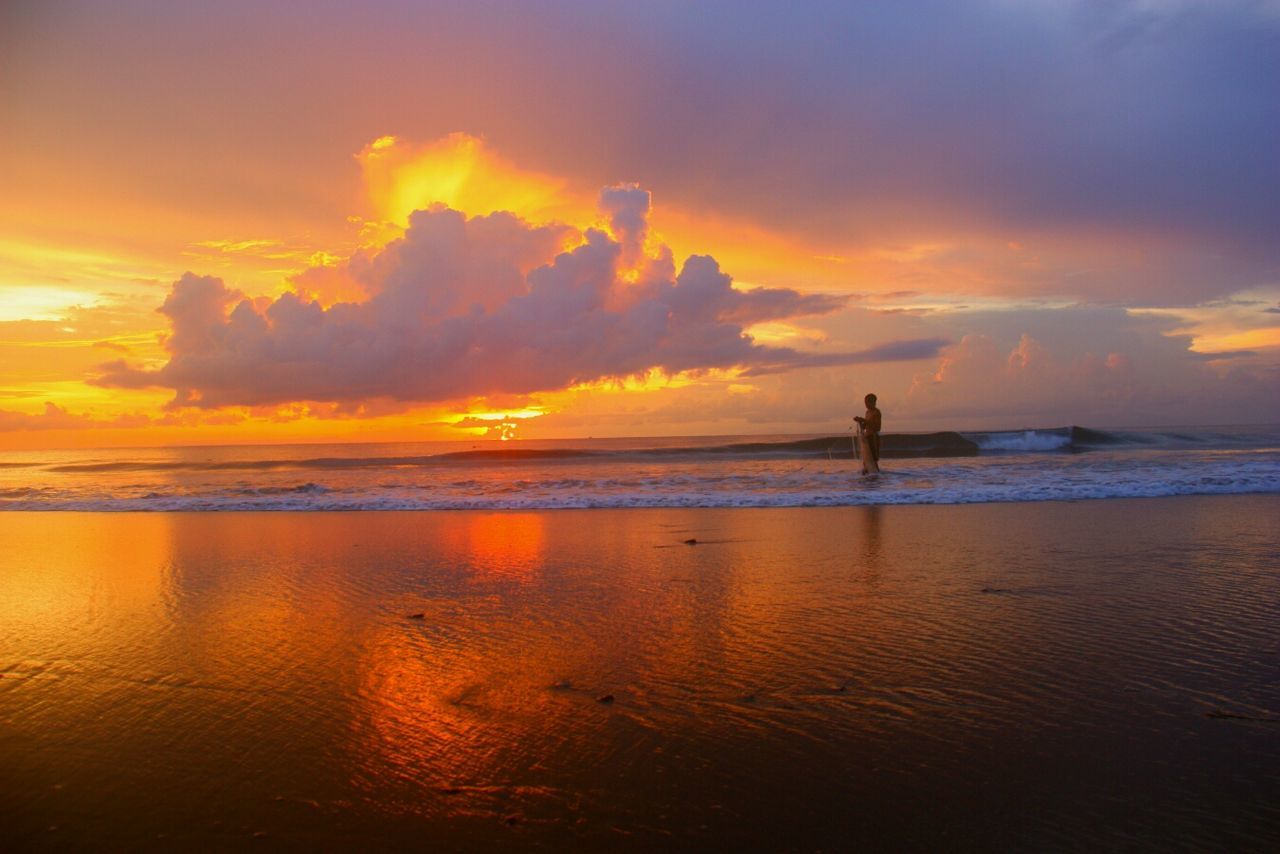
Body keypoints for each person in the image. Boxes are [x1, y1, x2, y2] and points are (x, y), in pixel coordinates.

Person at [854, 393, 881, 472]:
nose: (865, 404)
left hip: (874, 438)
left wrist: (863, 420)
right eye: (865, 402)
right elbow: (865, 426)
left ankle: (876, 477)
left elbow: (877, 427)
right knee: (866, 460)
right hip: (867, 437)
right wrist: (860, 421)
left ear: (873, 402)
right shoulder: (867, 412)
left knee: (873, 459)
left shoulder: (877, 413)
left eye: (867, 402)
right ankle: (867, 477)